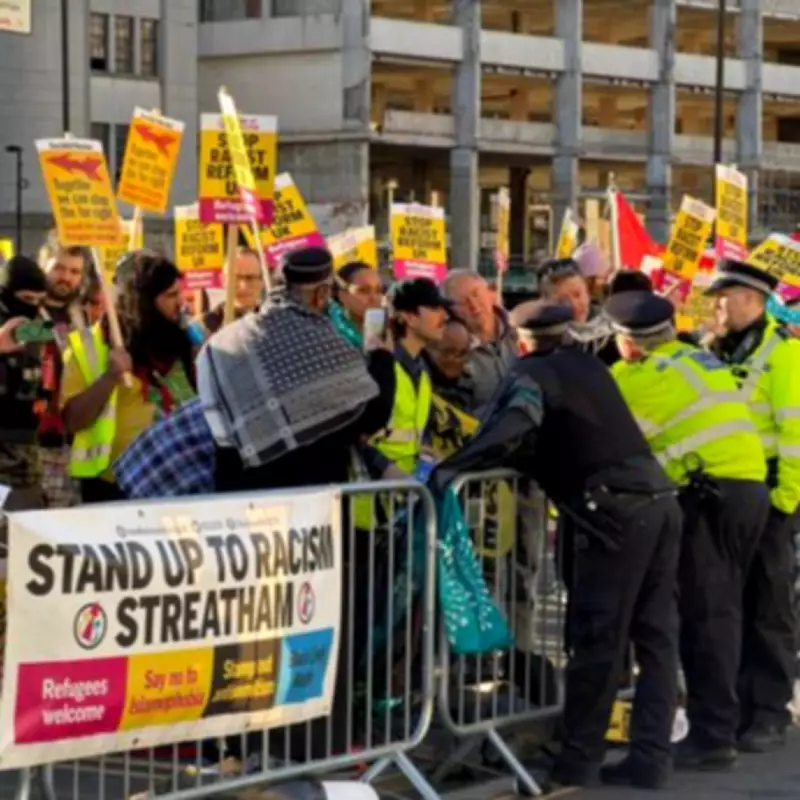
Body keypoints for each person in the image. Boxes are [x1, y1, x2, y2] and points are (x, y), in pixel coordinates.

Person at [430, 302, 682, 790]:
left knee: (598, 637)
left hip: (612, 508)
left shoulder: (533, 372)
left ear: (523, 341)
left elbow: (513, 426)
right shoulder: (590, 366)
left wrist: (454, 468)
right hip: (659, 499)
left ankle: (578, 759)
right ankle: (651, 757)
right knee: (656, 636)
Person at [606, 290, 769, 771]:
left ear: (630, 344)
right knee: (721, 613)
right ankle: (718, 726)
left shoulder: (641, 377)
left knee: (706, 619)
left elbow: (602, 434)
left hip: (708, 498)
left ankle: (712, 736)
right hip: (745, 489)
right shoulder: (698, 360)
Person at [704, 259, 800, 752]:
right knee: (728, 606)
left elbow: (795, 430)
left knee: (768, 604)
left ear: (754, 300)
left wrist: (785, 500)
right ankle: (736, 705)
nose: (718, 305)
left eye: (727, 295)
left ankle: (769, 709)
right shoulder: (713, 352)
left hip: (767, 492)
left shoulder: (782, 355)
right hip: (724, 495)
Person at [60, 250, 196, 503]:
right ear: (143, 301)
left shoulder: (183, 340)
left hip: (179, 478)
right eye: (171, 295)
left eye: (180, 293)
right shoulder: (90, 345)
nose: (182, 303)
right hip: (115, 486)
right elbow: (72, 422)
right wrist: (109, 379)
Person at [36, 239, 91, 510]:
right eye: (59, 268)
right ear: (42, 266)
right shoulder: (28, 313)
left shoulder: (82, 316)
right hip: (34, 442)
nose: (66, 278)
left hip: (74, 442)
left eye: (74, 272)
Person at [0, 256, 50, 534]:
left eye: (39, 300)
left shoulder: (38, 326)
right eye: (26, 298)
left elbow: (52, 334)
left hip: (27, 465)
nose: (33, 306)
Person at [442, 269, 519, 412]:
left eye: (476, 294)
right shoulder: (452, 350)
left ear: (490, 293)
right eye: (462, 302)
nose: (473, 305)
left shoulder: (520, 331)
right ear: (451, 310)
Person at [539, 258, 618, 365]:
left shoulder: (613, 335)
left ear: (588, 293)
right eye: (562, 300)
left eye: (577, 294)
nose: (573, 304)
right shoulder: (541, 341)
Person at [200, 246, 263, 335]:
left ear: (261, 281)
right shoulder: (205, 326)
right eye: (236, 278)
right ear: (223, 280)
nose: (243, 286)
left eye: (250, 278)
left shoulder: (274, 321)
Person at [328, 261, 383, 348]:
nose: (374, 298)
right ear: (342, 296)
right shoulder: (330, 337)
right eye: (364, 290)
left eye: (378, 290)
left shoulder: (390, 334)